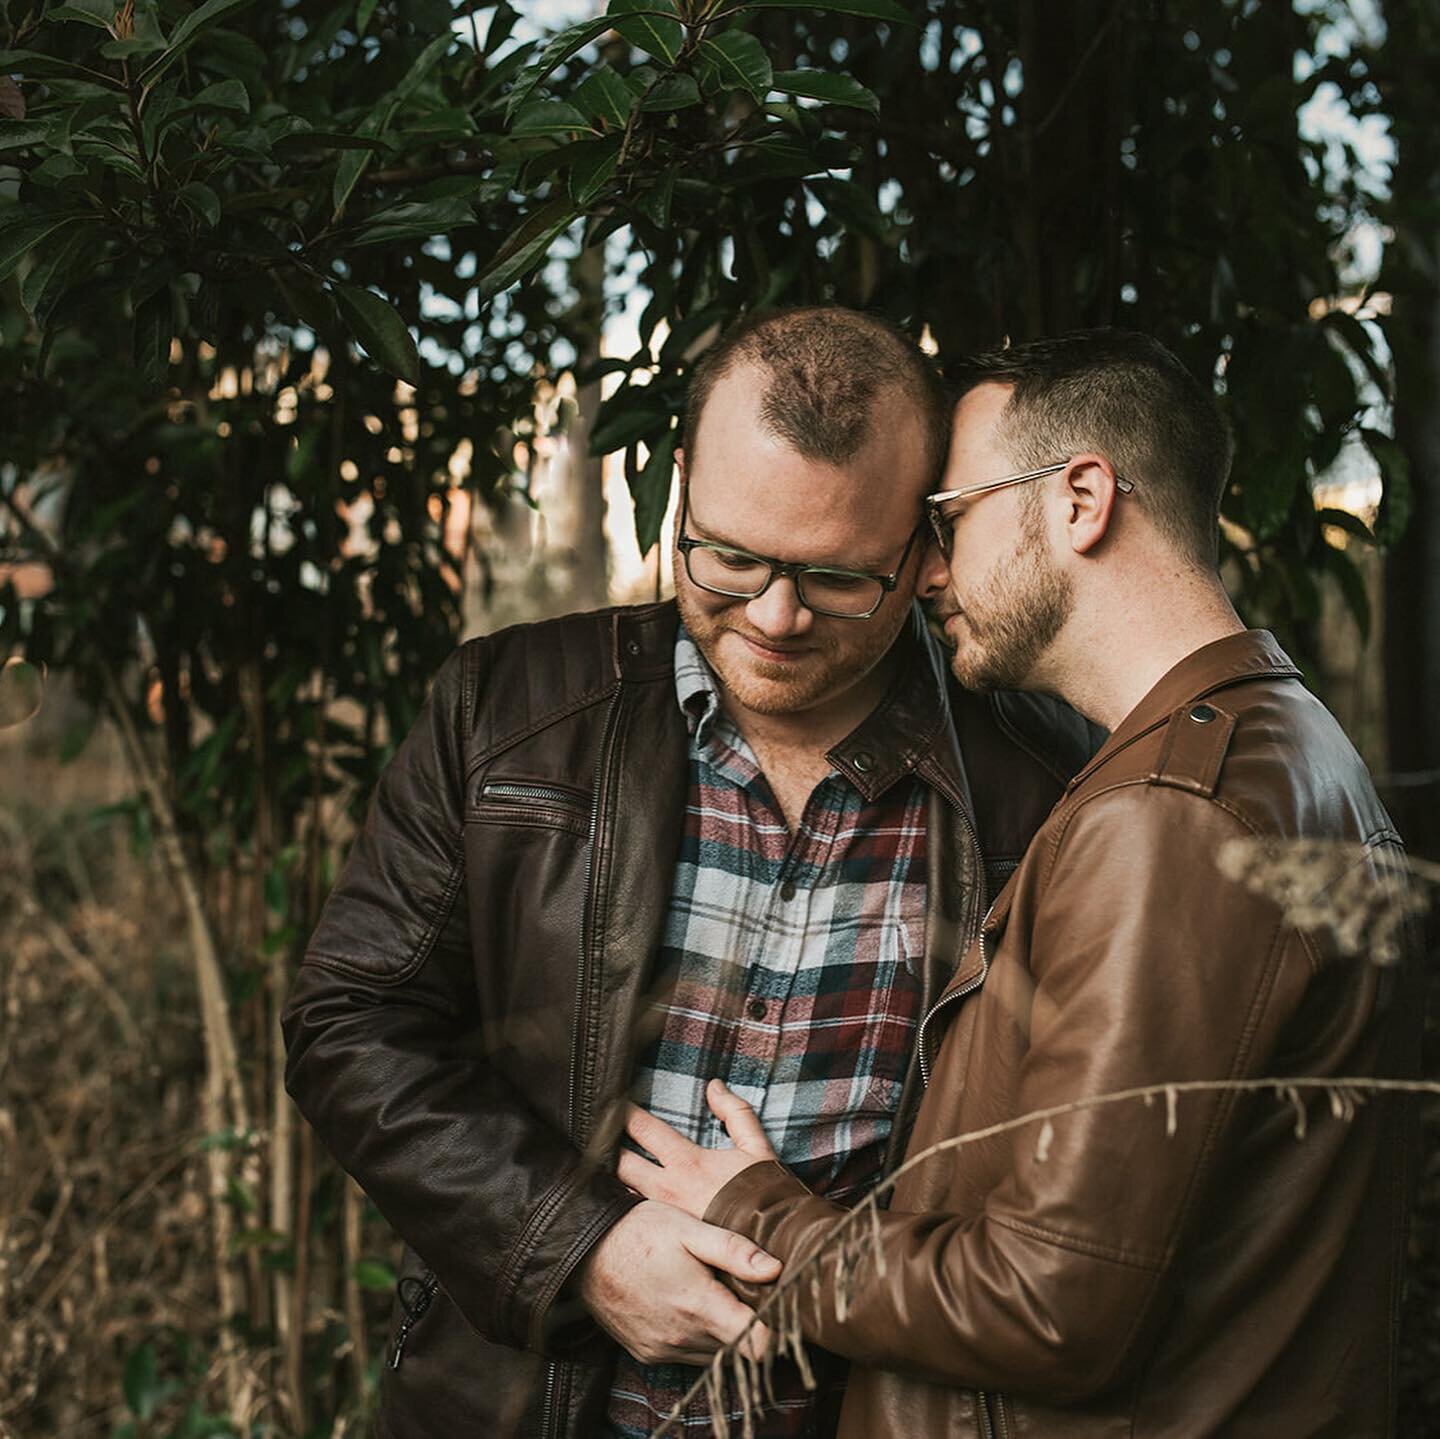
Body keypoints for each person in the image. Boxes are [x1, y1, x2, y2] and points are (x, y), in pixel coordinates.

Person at [282, 307, 1096, 1437]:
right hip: (516, 1404)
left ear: (921, 554)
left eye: (835, 577)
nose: (773, 616)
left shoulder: (1047, 787)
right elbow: (349, 1019)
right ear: (677, 493)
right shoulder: (507, 713)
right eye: (730, 557)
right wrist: (584, 1246)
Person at [624, 329, 1421, 1438]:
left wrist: (761, 1212)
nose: (932, 570)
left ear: (1082, 498)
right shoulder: (1281, 745)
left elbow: (1052, 1304)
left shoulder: (1171, 814)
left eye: (951, 518)